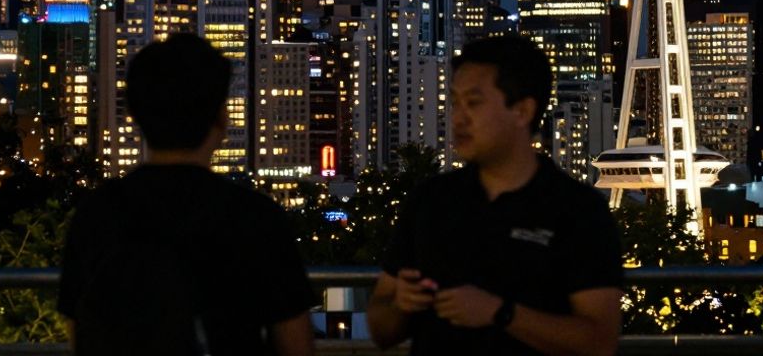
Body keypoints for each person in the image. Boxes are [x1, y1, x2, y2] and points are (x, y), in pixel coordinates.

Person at [57, 33, 315, 356]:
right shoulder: (255, 217)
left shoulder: (97, 215)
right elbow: (296, 344)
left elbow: (80, 337)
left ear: (135, 116)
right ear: (221, 118)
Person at [366, 35, 623, 355]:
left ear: (522, 111)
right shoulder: (430, 201)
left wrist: (499, 312)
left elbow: (598, 341)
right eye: (454, 102)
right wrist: (401, 304)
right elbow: (380, 330)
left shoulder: (577, 211)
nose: (458, 117)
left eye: (473, 103)